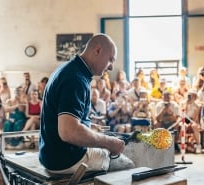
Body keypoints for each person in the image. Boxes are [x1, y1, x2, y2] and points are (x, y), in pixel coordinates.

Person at [39, 34, 134, 174]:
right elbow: (68, 132)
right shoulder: (75, 78)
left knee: (107, 147)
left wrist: (88, 126)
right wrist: (110, 142)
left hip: (50, 155)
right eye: (111, 59)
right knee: (129, 165)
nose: (111, 67)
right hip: (66, 160)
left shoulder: (69, 69)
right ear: (97, 50)